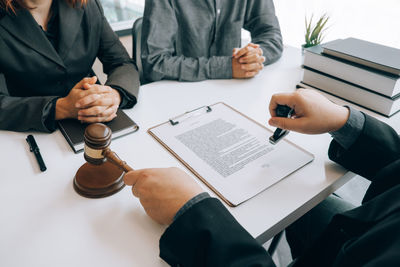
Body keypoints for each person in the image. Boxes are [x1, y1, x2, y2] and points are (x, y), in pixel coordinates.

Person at [124, 89, 400, 266]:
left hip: (365, 246)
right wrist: (343, 120)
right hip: (376, 220)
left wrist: (196, 216)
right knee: (300, 199)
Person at [0, 0, 139, 132]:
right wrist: (61, 108)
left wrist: (114, 95)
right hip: (30, 130)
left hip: (94, 122)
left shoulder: (87, 5)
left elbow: (122, 63)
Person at [141, 0, 283, 83]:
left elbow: (270, 34)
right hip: (181, 92)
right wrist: (224, 68)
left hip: (232, 89)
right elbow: (154, 63)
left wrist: (253, 56)